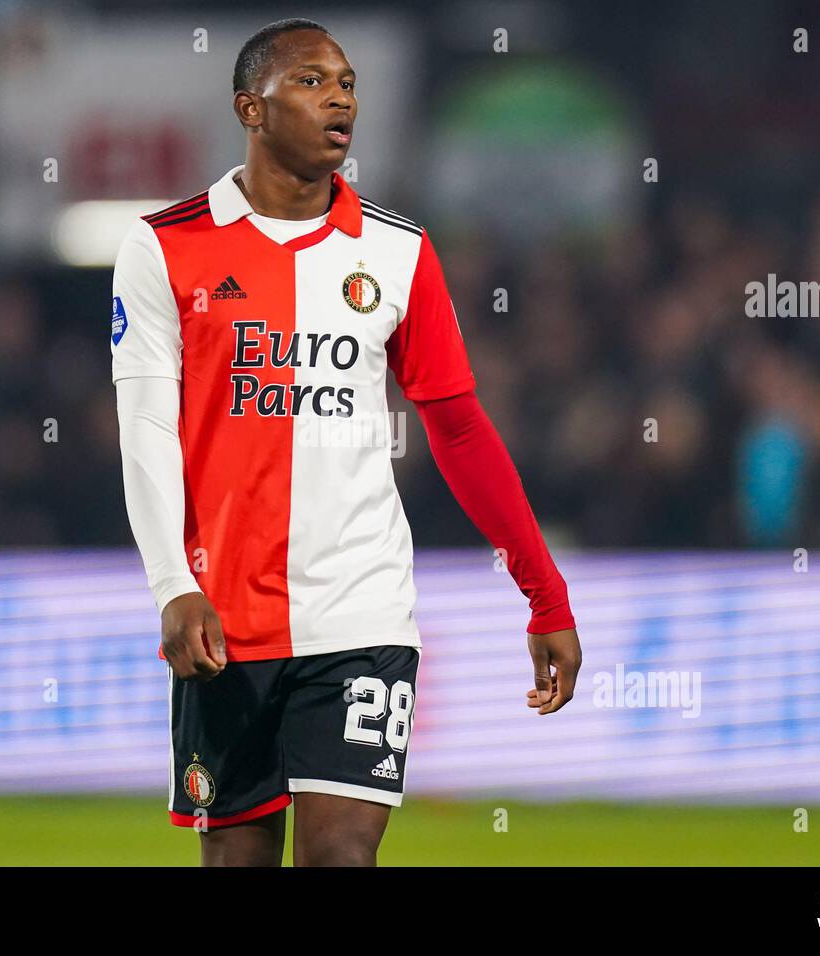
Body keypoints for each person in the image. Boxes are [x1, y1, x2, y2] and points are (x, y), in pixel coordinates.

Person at [112, 17, 581, 866]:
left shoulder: (398, 252)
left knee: (342, 858)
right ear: (250, 109)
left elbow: (460, 428)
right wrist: (171, 586)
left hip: (363, 609)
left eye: (349, 82)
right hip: (227, 618)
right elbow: (144, 425)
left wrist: (543, 592)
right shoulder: (164, 247)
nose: (340, 98)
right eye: (312, 81)